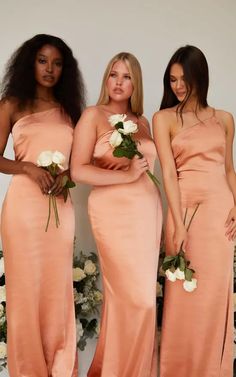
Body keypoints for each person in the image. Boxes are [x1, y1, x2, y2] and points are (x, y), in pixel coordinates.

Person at [71, 52, 162, 377]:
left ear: (135, 83)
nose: (119, 82)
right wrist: (125, 175)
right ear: (106, 80)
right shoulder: (93, 115)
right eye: (113, 74)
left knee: (140, 299)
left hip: (147, 212)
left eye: (126, 76)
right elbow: (78, 170)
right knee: (131, 298)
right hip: (113, 213)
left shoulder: (144, 122)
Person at [0, 34, 85, 376]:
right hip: (23, 209)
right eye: (42, 60)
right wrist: (26, 167)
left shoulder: (70, 111)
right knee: (25, 290)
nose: (50, 69)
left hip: (60, 209)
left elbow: (80, 162)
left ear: (65, 69)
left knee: (56, 286)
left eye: (57, 63)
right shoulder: (11, 104)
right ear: (29, 63)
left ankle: (61, 366)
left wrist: (67, 175)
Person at [152, 45, 236, 377]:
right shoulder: (164, 119)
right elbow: (168, 174)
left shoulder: (225, 118)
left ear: (200, 76)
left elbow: (228, 169)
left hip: (220, 214)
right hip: (183, 210)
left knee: (215, 295)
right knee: (183, 295)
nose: (178, 86)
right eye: (172, 80)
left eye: (184, 78)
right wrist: (177, 221)